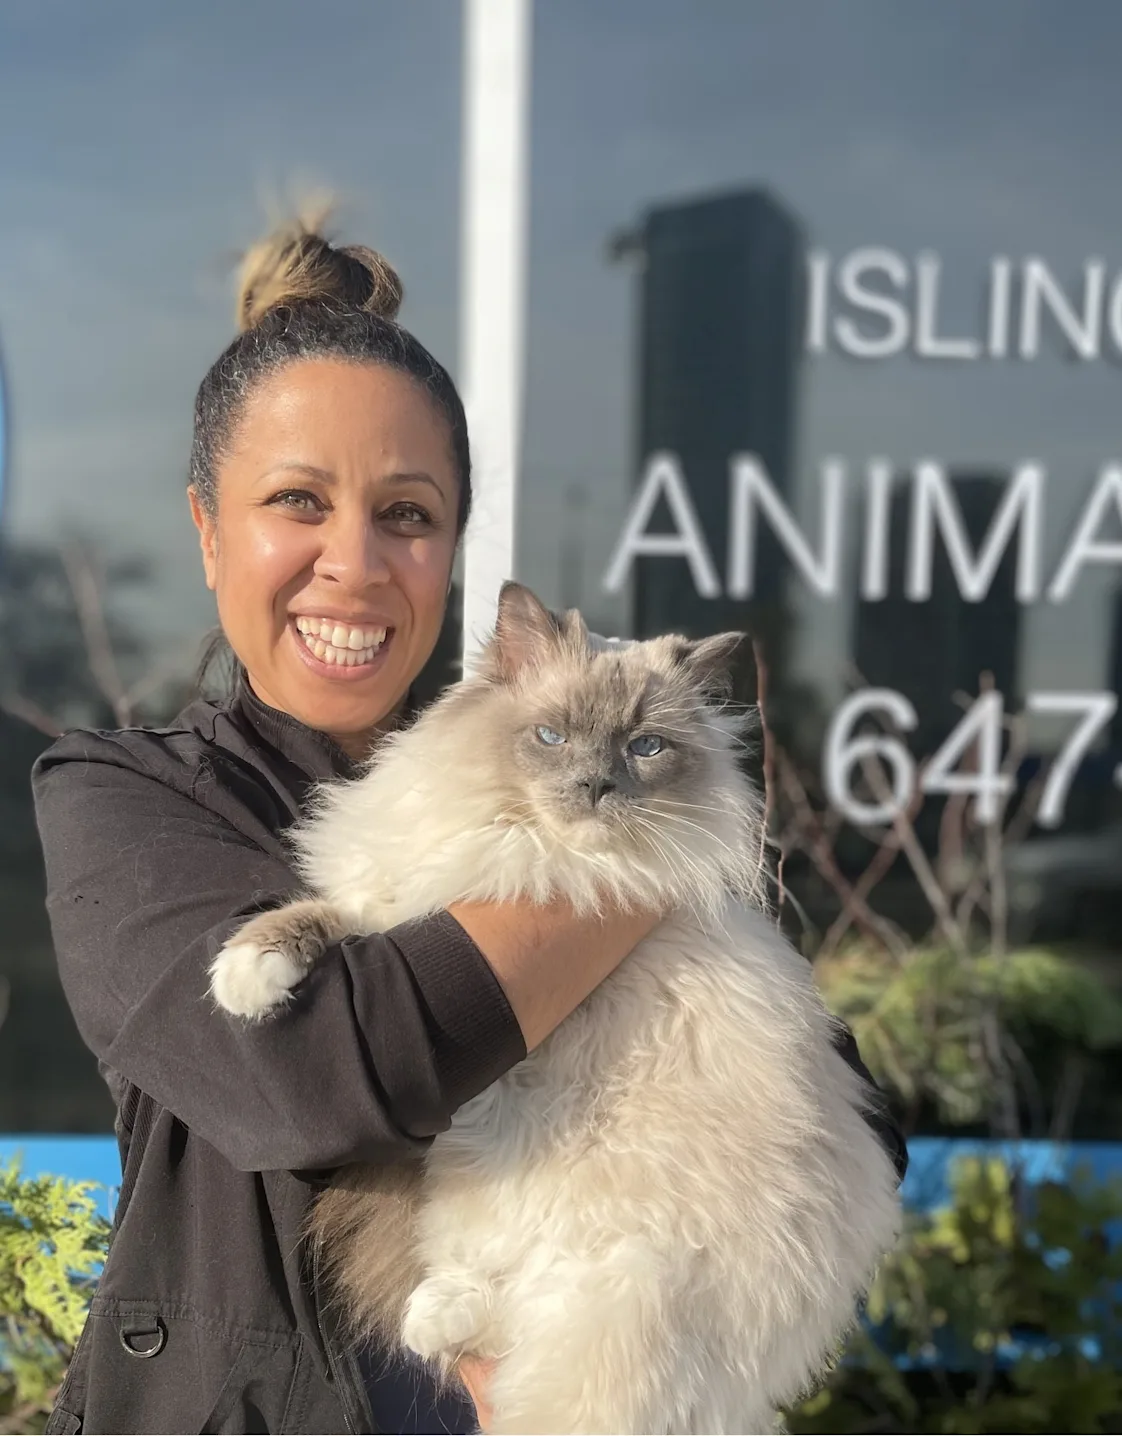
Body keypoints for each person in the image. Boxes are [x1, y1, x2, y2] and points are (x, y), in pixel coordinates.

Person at [33, 216, 907, 1436]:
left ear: (450, 547)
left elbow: (837, 1102)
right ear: (206, 526)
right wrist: (634, 858)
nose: (354, 561)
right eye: (298, 500)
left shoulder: (596, 782)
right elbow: (310, 1074)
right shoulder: (124, 794)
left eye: (407, 513)